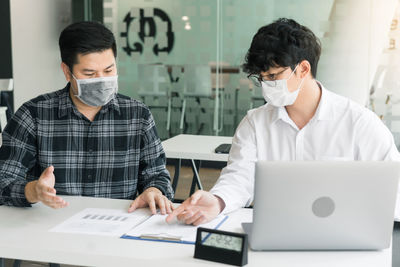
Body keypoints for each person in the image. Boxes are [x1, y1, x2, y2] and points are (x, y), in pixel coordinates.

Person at [166, 18, 400, 225]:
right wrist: (217, 201)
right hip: (275, 230)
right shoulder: (255, 123)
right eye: (262, 78)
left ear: (303, 69)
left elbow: (393, 188)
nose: (266, 85)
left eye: (273, 76)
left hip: (343, 231)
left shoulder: (359, 123)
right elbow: (239, 177)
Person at [0, 21, 174, 215]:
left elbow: (157, 174)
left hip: (116, 228)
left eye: (109, 71)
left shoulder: (137, 115)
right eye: (90, 73)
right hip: (48, 229)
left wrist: (154, 190)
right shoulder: (33, 115)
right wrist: (33, 191)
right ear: (67, 72)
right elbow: (3, 181)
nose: (101, 80)